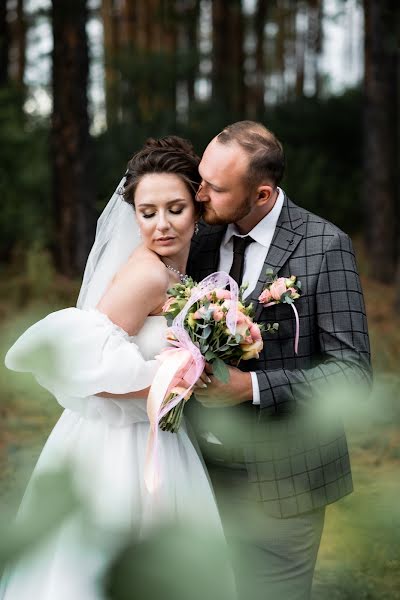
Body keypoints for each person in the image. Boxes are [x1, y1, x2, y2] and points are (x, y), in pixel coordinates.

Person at [0, 137, 230, 600]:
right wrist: (173, 379)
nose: (161, 225)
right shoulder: (145, 274)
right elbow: (95, 373)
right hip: (117, 446)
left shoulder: (179, 273)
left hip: (159, 439)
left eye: (175, 208)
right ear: (133, 215)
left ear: (197, 205)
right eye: (147, 213)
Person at [187, 121, 372, 600]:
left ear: (263, 195)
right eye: (201, 177)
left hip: (284, 479)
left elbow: (351, 374)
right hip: (196, 471)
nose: (199, 193)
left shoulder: (325, 247)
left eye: (215, 187)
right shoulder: (199, 242)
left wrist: (249, 390)